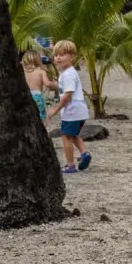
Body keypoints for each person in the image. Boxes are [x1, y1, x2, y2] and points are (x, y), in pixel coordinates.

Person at [48, 39, 92, 173]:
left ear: (72, 57)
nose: (58, 58)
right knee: (72, 135)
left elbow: (67, 95)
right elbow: (64, 88)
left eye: (62, 55)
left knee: (66, 136)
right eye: (56, 55)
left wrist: (56, 109)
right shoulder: (67, 73)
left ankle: (70, 165)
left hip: (72, 110)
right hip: (79, 110)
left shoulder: (68, 74)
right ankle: (84, 153)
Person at [21, 48, 49, 124]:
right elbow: (47, 83)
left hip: (26, 96)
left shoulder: (22, 71)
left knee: (28, 118)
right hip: (37, 97)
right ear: (38, 60)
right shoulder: (41, 71)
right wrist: (57, 86)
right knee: (40, 118)